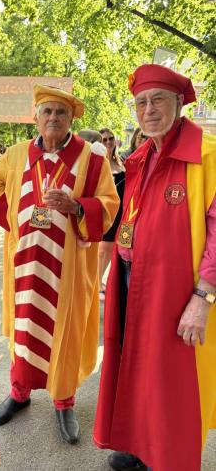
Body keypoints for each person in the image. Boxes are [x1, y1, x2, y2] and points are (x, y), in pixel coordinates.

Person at [0, 85, 119, 444]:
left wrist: (76, 208)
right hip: (24, 262)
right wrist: (14, 217)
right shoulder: (16, 155)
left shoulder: (92, 158)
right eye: (47, 112)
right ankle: (20, 392)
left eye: (60, 112)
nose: (53, 118)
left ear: (71, 118)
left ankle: (64, 400)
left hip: (68, 268)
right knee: (24, 330)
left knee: (65, 332)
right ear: (36, 118)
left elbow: (109, 203)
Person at [94, 64, 216, 471]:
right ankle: (141, 444)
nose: (147, 110)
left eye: (157, 100)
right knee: (137, 362)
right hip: (134, 278)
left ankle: (169, 458)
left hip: (179, 287)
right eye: (140, 102)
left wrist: (203, 296)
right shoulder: (142, 155)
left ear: (179, 104)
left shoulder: (207, 155)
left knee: (172, 380)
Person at [98, 128, 125, 299]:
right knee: (103, 249)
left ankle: (99, 280)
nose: (108, 142)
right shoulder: (97, 161)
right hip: (106, 210)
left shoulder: (120, 161)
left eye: (111, 139)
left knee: (110, 249)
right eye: (104, 140)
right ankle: (96, 281)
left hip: (121, 210)